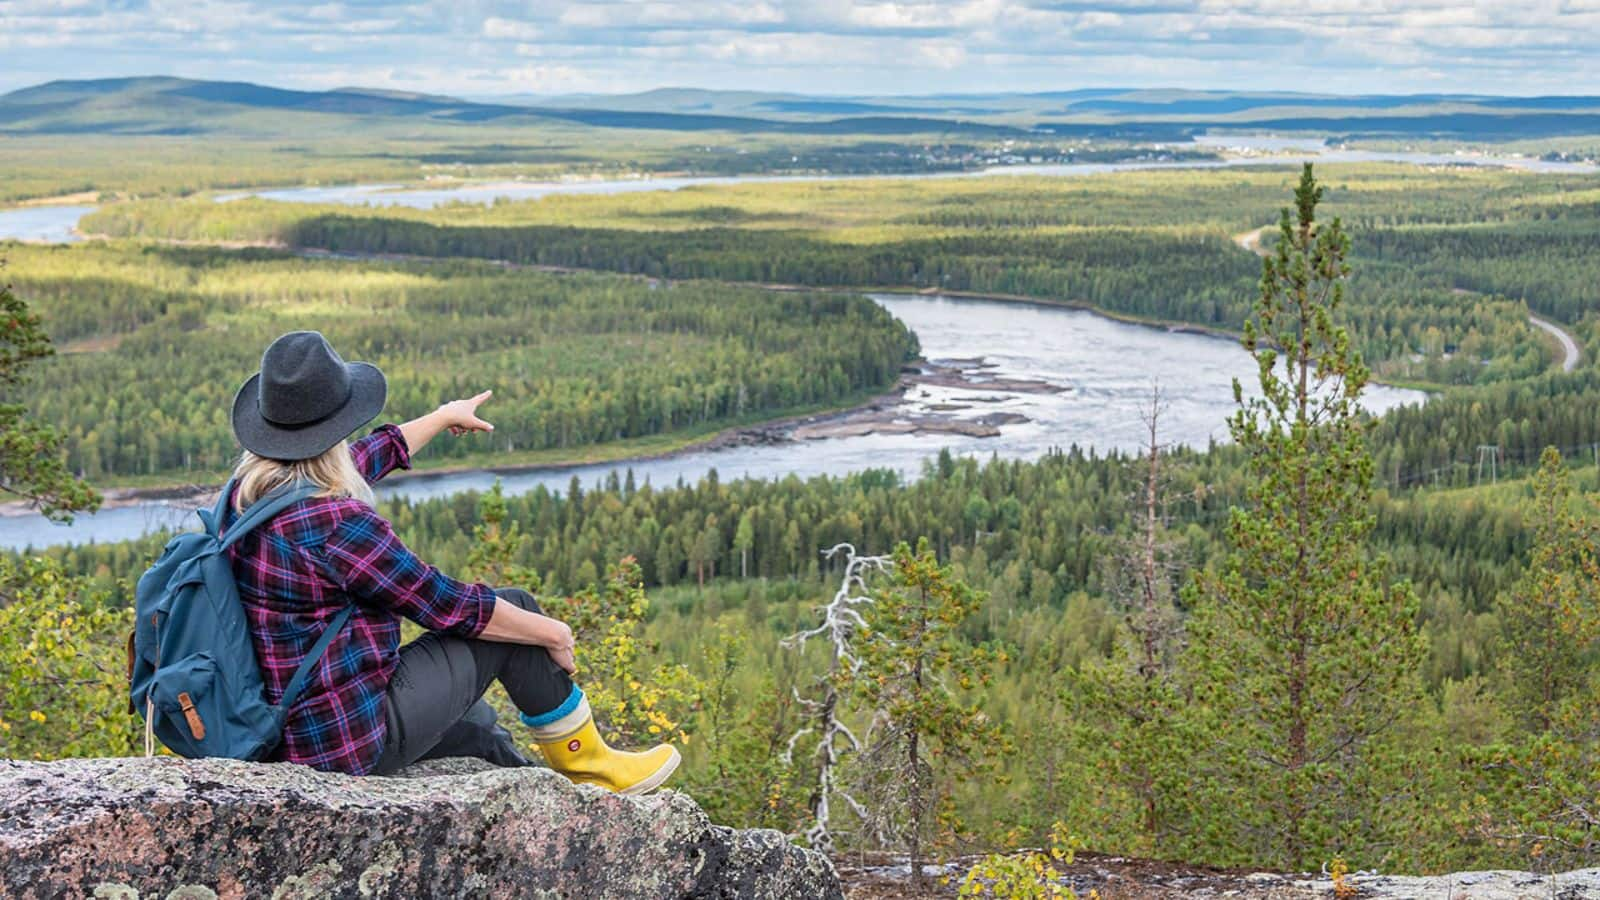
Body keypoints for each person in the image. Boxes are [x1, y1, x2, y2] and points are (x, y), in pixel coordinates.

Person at [222, 330, 679, 793]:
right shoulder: (338, 526)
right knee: (514, 613)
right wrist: (553, 632)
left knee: (479, 727)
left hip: (288, 729)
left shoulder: (247, 497)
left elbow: (361, 459)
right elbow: (449, 606)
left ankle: (548, 804)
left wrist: (442, 418)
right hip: (344, 742)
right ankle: (593, 766)